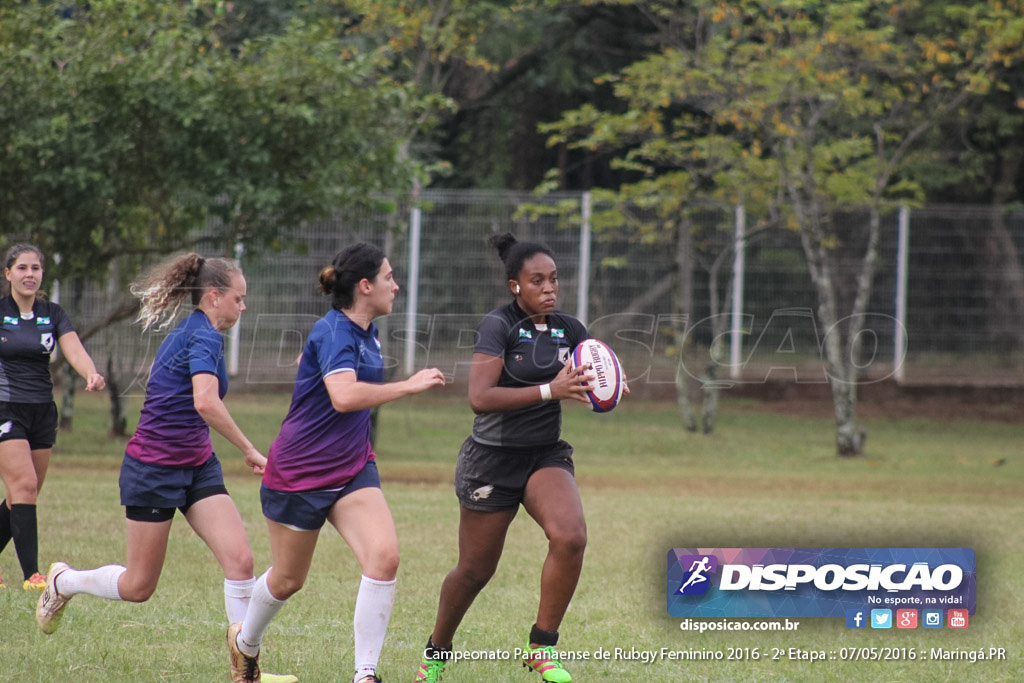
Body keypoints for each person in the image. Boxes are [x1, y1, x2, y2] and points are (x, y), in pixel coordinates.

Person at [34, 252, 296, 683]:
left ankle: (245, 672)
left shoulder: (206, 332)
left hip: (196, 465)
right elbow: (205, 402)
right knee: (139, 587)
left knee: (241, 560)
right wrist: (250, 449)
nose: (243, 307)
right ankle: (64, 583)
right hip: (153, 469)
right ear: (214, 297)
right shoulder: (204, 337)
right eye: (239, 298)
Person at [226, 243, 447, 683]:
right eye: (388, 277)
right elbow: (344, 396)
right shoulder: (334, 332)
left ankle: (365, 675)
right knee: (288, 580)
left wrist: (358, 442)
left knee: (384, 557)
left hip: (351, 469)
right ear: (365, 287)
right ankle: (244, 645)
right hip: (299, 474)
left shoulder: (366, 332)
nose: (396, 285)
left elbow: (345, 397)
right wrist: (409, 386)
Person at [415, 232, 618, 683]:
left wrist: (610, 389)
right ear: (515, 286)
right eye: (537, 280)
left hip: (544, 454)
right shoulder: (498, 326)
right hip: (492, 459)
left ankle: (542, 648)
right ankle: (437, 651)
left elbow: (595, 374)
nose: (549, 288)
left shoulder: (570, 329)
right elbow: (480, 397)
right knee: (475, 570)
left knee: (570, 537)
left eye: (554, 279)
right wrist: (552, 389)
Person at [0, 244, 106, 591]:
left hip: (43, 411)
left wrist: (90, 373)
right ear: (8, 274)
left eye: (35, 268)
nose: (29, 274)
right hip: (6, 407)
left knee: (23, 494)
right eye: (21, 268)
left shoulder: (53, 312)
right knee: (25, 486)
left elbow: (73, 347)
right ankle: (32, 576)